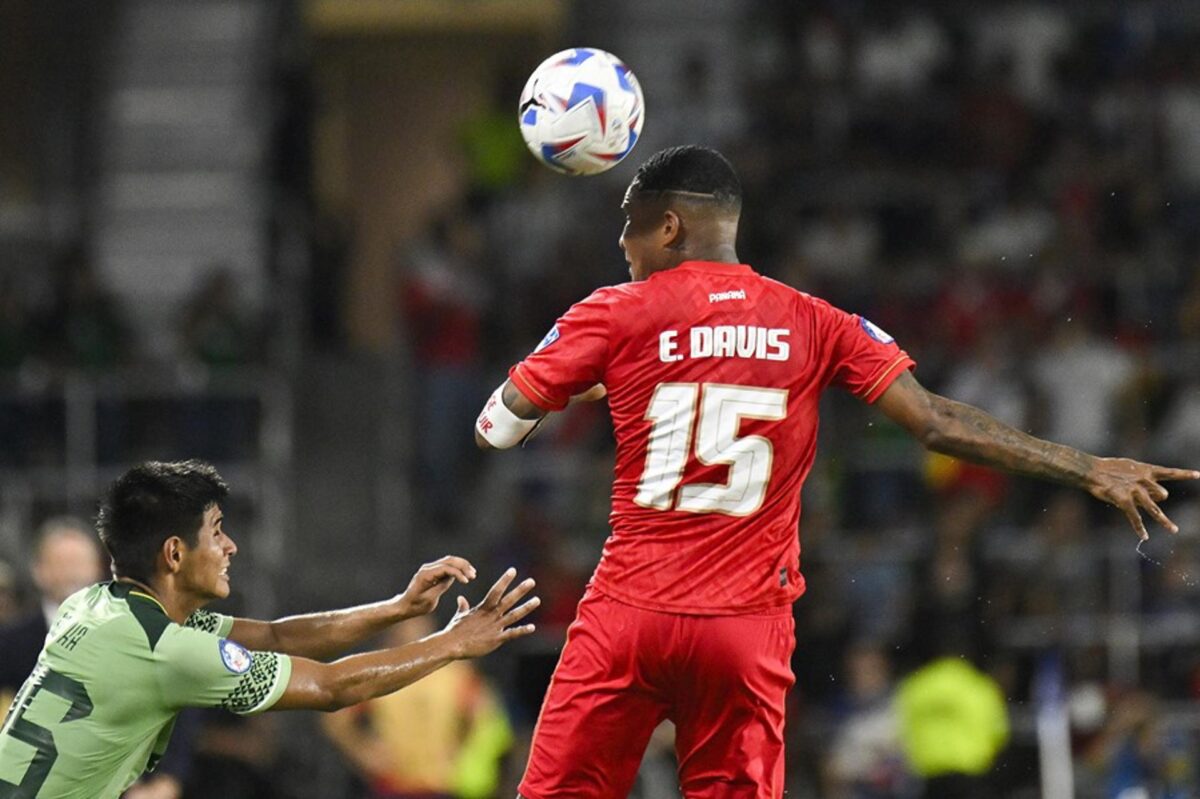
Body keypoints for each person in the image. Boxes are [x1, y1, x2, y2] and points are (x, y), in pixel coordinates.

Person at [472, 145, 1199, 798]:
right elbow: (938, 423)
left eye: (629, 229)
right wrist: (1086, 465)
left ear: (668, 228)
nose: (624, 250)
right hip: (745, 627)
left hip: (629, 612)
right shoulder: (814, 320)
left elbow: (498, 427)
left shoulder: (613, 313)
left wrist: (583, 371)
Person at [0, 459, 539, 799]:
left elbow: (279, 636)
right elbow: (331, 688)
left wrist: (398, 609)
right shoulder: (169, 649)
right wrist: (452, 641)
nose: (231, 546)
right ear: (173, 553)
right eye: (217, 532)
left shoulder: (94, 605)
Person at [321, 614, 514, 799]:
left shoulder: (454, 675)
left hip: (440, 784)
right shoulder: (381, 673)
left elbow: (485, 717)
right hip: (392, 784)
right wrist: (364, 752)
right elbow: (337, 718)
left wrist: (463, 756)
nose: (413, 631)